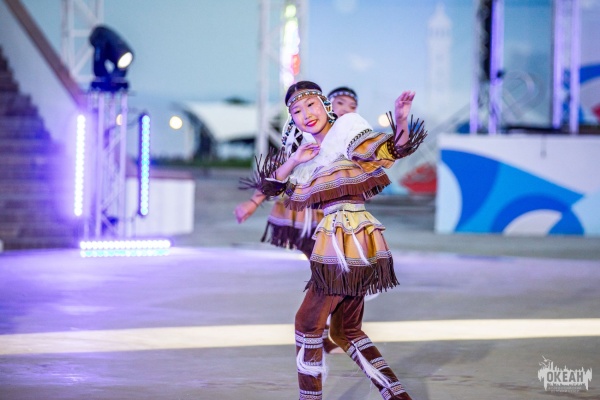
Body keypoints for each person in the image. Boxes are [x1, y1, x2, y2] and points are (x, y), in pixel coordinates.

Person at [251, 81, 426, 400]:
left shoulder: (346, 130)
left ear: (326, 106)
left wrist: (401, 119)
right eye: (297, 111)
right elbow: (272, 187)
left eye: (311, 105)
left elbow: (393, 149)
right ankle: (398, 396)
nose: (306, 114)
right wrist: (295, 159)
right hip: (348, 239)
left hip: (346, 239)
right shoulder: (309, 153)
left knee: (307, 322)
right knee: (345, 330)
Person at [235, 86, 361, 354]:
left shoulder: (349, 137)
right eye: (340, 103)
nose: (345, 109)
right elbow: (278, 171)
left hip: (333, 219)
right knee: (329, 272)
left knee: (338, 274)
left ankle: (328, 329)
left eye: (352, 107)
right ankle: (319, 331)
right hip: (302, 217)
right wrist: (253, 202)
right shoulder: (303, 134)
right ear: (327, 104)